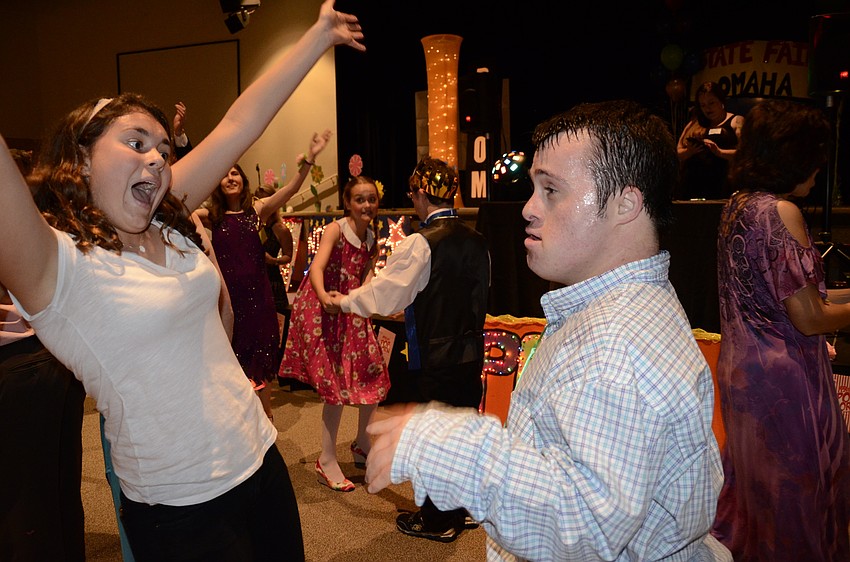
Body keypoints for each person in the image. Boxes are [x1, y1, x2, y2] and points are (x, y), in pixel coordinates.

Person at [0, 2, 365, 560]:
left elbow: (239, 126)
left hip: (260, 459)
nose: (157, 161)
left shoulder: (166, 223)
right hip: (181, 507)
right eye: (136, 143)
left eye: (164, 151)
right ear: (83, 158)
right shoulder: (59, 267)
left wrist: (317, 38)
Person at [361, 101, 730, 561]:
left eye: (552, 190)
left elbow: (582, 525)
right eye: (534, 188)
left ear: (625, 204)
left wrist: (448, 447)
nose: (529, 210)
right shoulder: (618, 312)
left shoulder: (616, 347)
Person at [711, 99, 850, 561]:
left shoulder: (738, 206)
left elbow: (792, 299)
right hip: (783, 379)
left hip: (743, 371)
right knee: (796, 501)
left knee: (757, 499)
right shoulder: (781, 211)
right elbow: (809, 318)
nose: (818, 172)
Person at [329, 156, 491, 542]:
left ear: (420, 194)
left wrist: (345, 301)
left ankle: (438, 520)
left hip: (436, 355)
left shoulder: (422, 243)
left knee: (436, 437)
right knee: (463, 431)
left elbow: (385, 295)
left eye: (413, 193)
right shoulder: (479, 239)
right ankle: (461, 507)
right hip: (471, 352)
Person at [193, 129, 332, 419]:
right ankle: (239, 415)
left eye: (235, 173)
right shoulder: (212, 216)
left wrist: (309, 160)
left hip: (258, 300)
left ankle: (265, 413)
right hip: (228, 302)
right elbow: (185, 208)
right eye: (224, 174)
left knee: (260, 356)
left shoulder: (256, 211)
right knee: (231, 357)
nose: (230, 178)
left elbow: (291, 189)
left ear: (243, 182)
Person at [0, 148, 86, 562]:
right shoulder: (46, 225)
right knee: (52, 500)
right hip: (48, 362)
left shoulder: (33, 227)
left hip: (26, 365)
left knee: (28, 511)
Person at [280, 176, 390, 492]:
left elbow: (367, 275)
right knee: (336, 384)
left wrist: (367, 297)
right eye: (360, 199)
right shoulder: (335, 230)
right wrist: (325, 296)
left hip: (350, 309)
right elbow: (316, 268)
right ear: (347, 202)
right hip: (324, 309)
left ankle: (361, 442)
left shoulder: (372, 237)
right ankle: (326, 459)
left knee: (372, 371)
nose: (367, 205)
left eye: (371, 198)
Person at [676, 81, 744, 200]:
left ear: (721, 101)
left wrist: (720, 152)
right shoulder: (695, 123)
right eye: (703, 105)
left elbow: (746, 153)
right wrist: (690, 151)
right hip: (693, 185)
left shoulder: (736, 120)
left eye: (711, 103)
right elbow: (677, 154)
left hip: (722, 185)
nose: (707, 109)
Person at [256, 183, 295, 372]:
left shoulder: (280, 228)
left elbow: (288, 256)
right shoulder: (253, 226)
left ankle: (278, 368)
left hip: (272, 281)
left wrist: (273, 261)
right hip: (254, 280)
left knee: (277, 326)